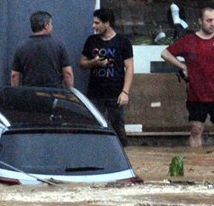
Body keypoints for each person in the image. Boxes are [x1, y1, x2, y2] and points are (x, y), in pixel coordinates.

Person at [160, 7, 214, 147]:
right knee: (196, 130)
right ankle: (194, 164)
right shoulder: (189, 40)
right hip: (196, 94)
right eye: (209, 20)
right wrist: (182, 66)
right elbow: (165, 53)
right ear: (200, 21)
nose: (212, 23)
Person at [80, 8, 133, 146]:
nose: (93, 26)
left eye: (97, 23)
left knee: (118, 128)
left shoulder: (123, 42)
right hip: (95, 93)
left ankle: (125, 158)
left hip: (115, 92)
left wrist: (125, 92)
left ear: (107, 23)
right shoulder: (91, 41)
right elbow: (82, 63)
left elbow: (129, 68)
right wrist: (94, 62)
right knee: (93, 127)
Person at [10, 11, 74, 88]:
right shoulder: (59, 46)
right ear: (46, 25)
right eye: (51, 24)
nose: (52, 26)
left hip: (30, 94)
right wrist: (70, 92)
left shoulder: (21, 47)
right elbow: (67, 73)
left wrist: (16, 93)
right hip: (53, 94)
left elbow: (14, 75)